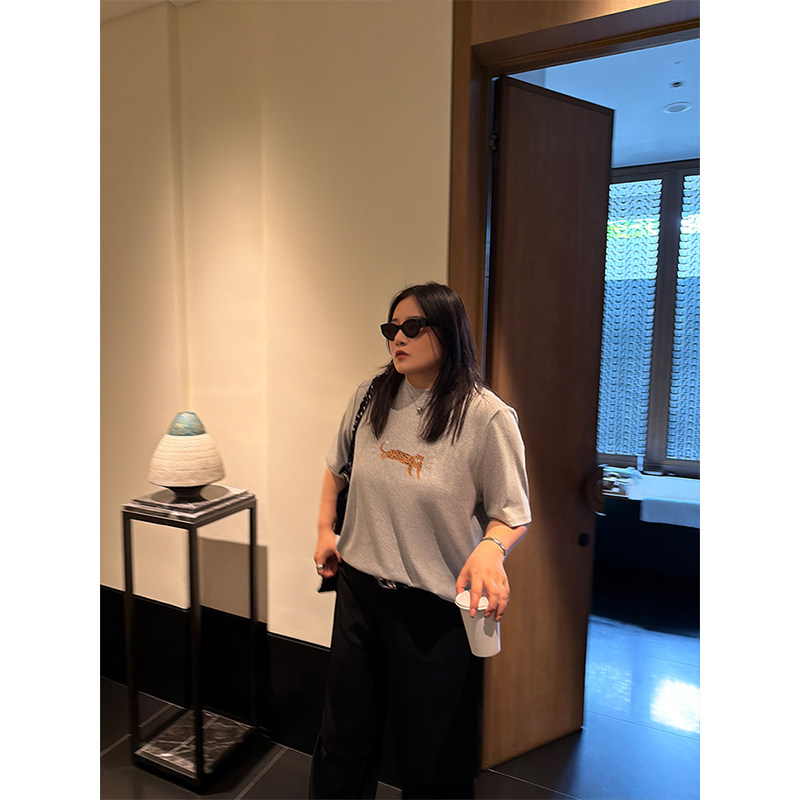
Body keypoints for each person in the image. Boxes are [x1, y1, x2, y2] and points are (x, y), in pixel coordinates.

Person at [310, 282, 531, 799]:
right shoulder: (370, 395)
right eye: (391, 328)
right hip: (359, 595)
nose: (398, 338)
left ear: (447, 330)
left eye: (412, 326)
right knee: (343, 740)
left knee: (434, 760)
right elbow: (336, 468)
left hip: (434, 613)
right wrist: (324, 531)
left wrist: (491, 548)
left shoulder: (485, 416)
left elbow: (512, 514)